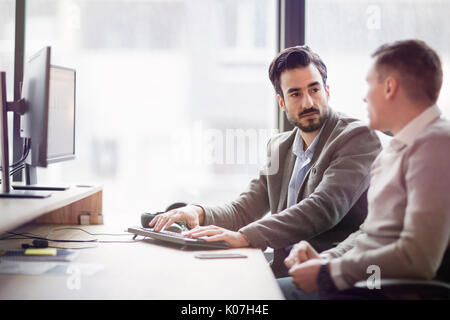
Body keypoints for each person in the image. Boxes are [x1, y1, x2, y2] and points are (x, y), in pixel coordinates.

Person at [150, 45, 382, 278]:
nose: (308, 102)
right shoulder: (279, 148)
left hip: (329, 278)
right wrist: (197, 212)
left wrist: (245, 237)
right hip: (282, 273)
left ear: (327, 91)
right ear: (282, 102)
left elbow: (322, 208)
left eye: (314, 90)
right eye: (295, 94)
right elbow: (244, 209)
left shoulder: (357, 137)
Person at [280, 39, 450, 299]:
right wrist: (327, 260)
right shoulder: (395, 150)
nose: (364, 96)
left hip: (388, 292)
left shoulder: (437, 143)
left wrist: (331, 272)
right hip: (367, 283)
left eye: (370, 84)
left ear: (390, 87)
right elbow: (368, 233)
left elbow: (418, 259)